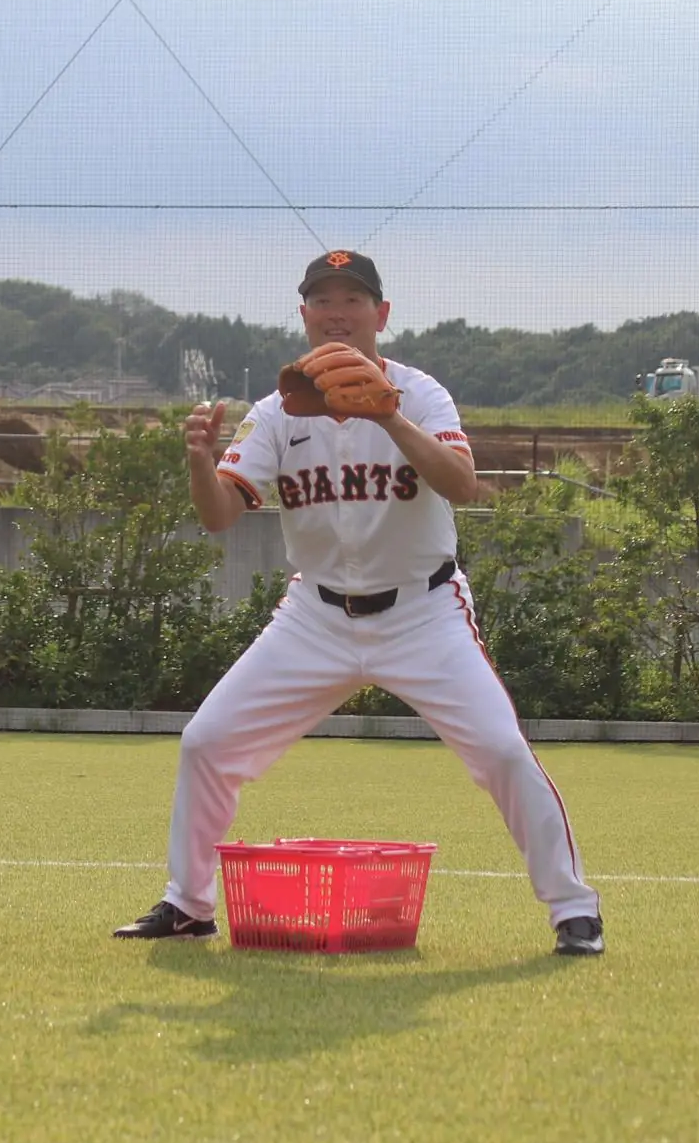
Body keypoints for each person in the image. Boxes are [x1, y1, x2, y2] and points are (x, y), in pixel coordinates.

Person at [114, 250, 605, 957]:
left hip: (424, 612)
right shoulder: (276, 414)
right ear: (305, 315)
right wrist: (198, 463)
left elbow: (463, 485)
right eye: (323, 300)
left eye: (353, 300)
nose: (337, 312)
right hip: (314, 616)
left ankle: (573, 908)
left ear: (381, 314)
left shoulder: (421, 394)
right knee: (207, 744)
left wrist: (387, 417)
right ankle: (188, 905)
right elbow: (221, 514)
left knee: (502, 749)